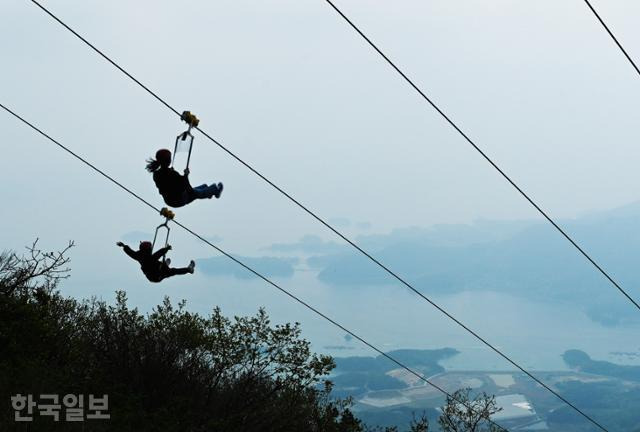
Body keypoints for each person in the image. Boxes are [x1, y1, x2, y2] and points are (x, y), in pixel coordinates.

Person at [146, 149, 223, 208]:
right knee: (198, 193)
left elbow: (168, 183)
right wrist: (186, 175)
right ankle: (215, 190)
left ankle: (208, 192)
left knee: (203, 187)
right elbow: (187, 187)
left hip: (169, 200)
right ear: (168, 161)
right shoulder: (171, 174)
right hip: (179, 200)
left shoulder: (156, 174)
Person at [117, 241, 195, 283]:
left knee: (159, 265)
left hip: (151, 276)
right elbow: (158, 254)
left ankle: (164, 265)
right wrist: (166, 249)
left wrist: (123, 246)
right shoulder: (150, 257)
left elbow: (130, 252)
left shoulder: (138, 256)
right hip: (157, 275)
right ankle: (189, 270)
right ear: (148, 249)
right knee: (173, 271)